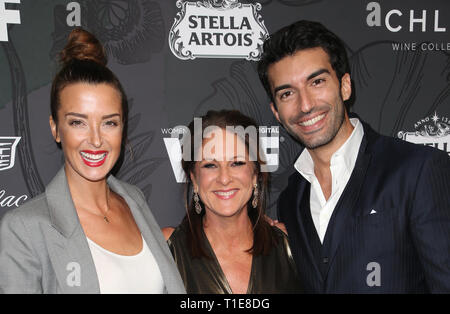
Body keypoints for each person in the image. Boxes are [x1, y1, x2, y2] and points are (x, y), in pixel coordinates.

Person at [257, 20, 450, 293]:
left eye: (317, 81)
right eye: (287, 93)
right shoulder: (291, 197)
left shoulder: (417, 170)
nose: (306, 104)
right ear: (276, 112)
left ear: (345, 86)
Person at [0, 28, 185, 294]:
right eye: (78, 122)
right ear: (55, 128)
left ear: (123, 126)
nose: (96, 140)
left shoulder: (134, 201)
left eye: (109, 122)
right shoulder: (25, 228)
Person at [162, 110, 302, 294]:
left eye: (237, 163)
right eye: (210, 165)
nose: (224, 178)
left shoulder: (288, 245)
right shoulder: (167, 248)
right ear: (195, 179)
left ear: (255, 174)